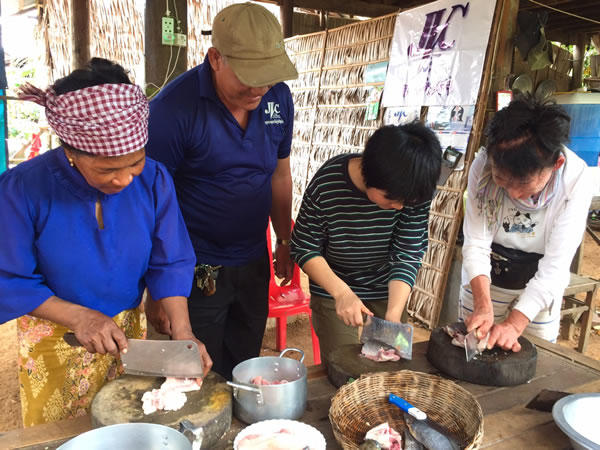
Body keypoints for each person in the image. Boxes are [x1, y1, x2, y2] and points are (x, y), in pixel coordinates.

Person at [1, 58, 211, 427]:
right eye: (106, 170)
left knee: (132, 422)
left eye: (135, 163)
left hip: (129, 332)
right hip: (55, 338)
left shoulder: (155, 179)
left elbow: (171, 259)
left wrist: (183, 332)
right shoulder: (23, 189)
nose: (125, 180)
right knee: (68, 434)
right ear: (70, 151)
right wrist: (80, 317)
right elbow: (9, 277)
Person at [145, 3, 298, 380]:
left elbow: (280, 173)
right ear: (215, 58)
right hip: (193, 266)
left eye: (268, 75)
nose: (259, 88)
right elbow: (150, 204)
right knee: (194, 372)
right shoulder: (172, 111)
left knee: (244, 363)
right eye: (249, 75)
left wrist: (283, 239)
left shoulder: (277, 98)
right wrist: (158, 289)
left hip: (253, 258)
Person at [290, 123, 442, 365]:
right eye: (392, 199)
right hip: (333, 284)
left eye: (407, 201)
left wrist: (393, 314)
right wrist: (341, 293)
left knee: (392, 365)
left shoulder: (414, 190)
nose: (400, 207)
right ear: (368, 171)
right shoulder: (327, 184)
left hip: (387, 286)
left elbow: (407, 251)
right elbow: (304, 245)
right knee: (344, 365)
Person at [461, 94, 595, 352]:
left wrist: (515, 324)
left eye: (522, 184)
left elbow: (555, 268)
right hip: (488, 274)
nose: (511, 194)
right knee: (473, 348)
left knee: (536, 355)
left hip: (539, 280)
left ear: (556, 164)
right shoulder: (483, 165)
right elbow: (476, 242)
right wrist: (482, 304)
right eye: (502, 180)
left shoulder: (576, 180)